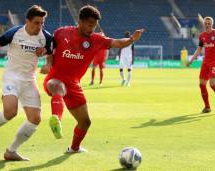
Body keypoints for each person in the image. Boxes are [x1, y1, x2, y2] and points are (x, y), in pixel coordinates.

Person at [40, 5, 144, 153]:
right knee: (59, 87)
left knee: (85, 122)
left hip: (74, 84)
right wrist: (48, 63)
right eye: (90, 25)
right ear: (80, 21)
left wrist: (132, 39)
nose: (92, 29)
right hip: (55, 78)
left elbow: (117, 43)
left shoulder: (97, 39)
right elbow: (49, 49)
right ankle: (56, 119)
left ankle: (74, 148)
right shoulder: (61, 33)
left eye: (94, 26)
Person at [0, 5, 52, 161]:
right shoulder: (14, 33)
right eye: (36, 22)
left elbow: (51, 53)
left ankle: (11, 151)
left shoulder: (45, 36)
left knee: (35, 119)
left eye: (42, 23)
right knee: (11, 111)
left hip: (29, 80)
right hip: (11, 76)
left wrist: (48, 64)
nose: (39, 26)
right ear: (27, 21)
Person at [187, 16, 215, 114]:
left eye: (209, 24)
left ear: (212, 24)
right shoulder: (202, 36)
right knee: (202, 84)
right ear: (204, 24)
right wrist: (192, 60)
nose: (207, 25)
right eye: (206, 24)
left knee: (212, 84)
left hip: (214, 62)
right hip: (205, 62)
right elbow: (199, 49)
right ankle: (207, 107)